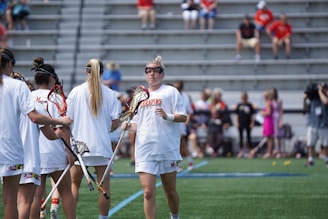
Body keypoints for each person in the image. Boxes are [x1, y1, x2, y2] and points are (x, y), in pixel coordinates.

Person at [0, 48, 71, 219]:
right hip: (14, 152)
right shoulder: (18, 87)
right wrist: (60, 123)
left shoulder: (25, 92)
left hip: (16, 152)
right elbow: (35, 119)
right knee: (13, 200)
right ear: (9, 64)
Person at [121, 55, 187, 219]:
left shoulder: (171, 91)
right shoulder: (140, 96)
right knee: (148, 193)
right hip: (145, 149)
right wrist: (128, 127)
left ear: (162, 74)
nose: (152, 74)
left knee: (170, 191)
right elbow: (137, 124)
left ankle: (175, 216)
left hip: (166, 148)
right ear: (145, 74)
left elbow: (183, 117)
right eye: (148, 71)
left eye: (156, 71)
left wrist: (168, 116)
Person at [67, 58, 120, 219]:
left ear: (86, 71)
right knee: (104, 187)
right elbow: (115, 122)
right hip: (102, 146)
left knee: (74, 185)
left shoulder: (75, 92)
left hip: (80, 147)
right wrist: (103, 130)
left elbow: (68, 119)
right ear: (103, 72)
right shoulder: (111, 94)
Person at [10, 71, 64, 219]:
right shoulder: (34, 106)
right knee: (26, 201)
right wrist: (60, 126)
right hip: (29, 158)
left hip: (9, 158)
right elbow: (50, 134)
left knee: (11, 201)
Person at [29, 57, 77, 219]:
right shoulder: (55, 98)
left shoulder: (28, 97)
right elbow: (62, 128)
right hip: (54, 151)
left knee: (36, 195)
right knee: (66, 192)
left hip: (34, 152)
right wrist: (70, 153)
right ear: (51, 79)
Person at [303, 83, 328, 167]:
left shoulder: (324, 96)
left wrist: (321, 91)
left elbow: (325, 102)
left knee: (326, 144)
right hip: (313, 124)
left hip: (323, 125)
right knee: (310, 144)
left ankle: (327, 160)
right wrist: (304, 99)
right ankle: (310, 160)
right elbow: (305, 109)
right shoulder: (313, 100)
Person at [173, 80, 194, 171]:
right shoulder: (171, 96)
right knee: (179, 145)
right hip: (172, 123)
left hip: (181, 123)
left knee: (181, 144)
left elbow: (189, 111)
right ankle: (187, 162)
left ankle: (182, 163)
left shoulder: (185, 97)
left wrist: (187, 120)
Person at [207, 88, 232, 157]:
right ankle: (213, 150)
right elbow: (208, 114)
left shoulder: (223, 104)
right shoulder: (211, 103)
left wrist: (227, 123)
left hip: (220, 124)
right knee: (210, 137)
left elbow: (226, 114)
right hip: (211, 124)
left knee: (220, 138)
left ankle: (213, 150)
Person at [234, 91, 256, 158]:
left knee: (248, 137)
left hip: (248, 122)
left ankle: (250, 151)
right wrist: (236, 122)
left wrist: (252, 123)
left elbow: (252, 115)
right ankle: (241, 151)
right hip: (241, 122)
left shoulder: (249, 105)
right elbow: (236, 115)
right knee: (241, 137)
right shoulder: (239, 105)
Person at [261, 89, 275, 159]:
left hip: (268, 121)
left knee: (269, 138)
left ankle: (269, 152)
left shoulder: (268, 102)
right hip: (268, 120)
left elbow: (268, 112)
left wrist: (262, 113)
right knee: (269, 138)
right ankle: (269, 152)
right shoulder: (269, 102)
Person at [271, 87, 284, 158]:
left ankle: (279, 151)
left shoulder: (279, 100)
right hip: (271, 118)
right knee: (271, 136)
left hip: (277, 118)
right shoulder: (270, 100)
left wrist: (281, 121)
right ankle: (273, 151)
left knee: (278, 136)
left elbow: (281, 111)